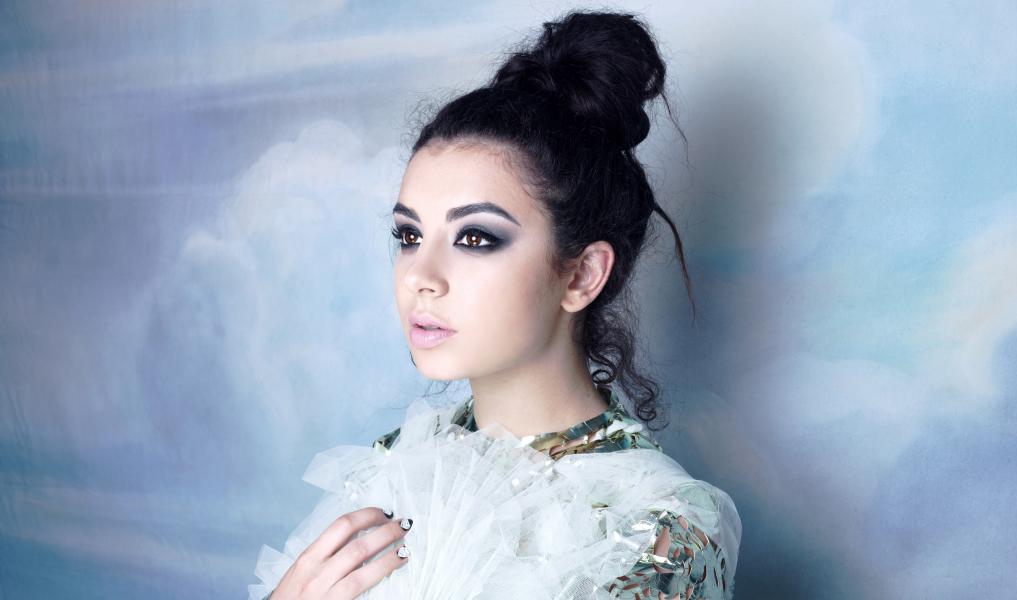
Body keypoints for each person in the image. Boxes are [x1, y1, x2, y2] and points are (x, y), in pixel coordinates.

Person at [254, 9, 741, 600]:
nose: (421, 277)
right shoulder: (396, 469)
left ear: (582, 274)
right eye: (409, 236)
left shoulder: (659, 528)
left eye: (475, 238)